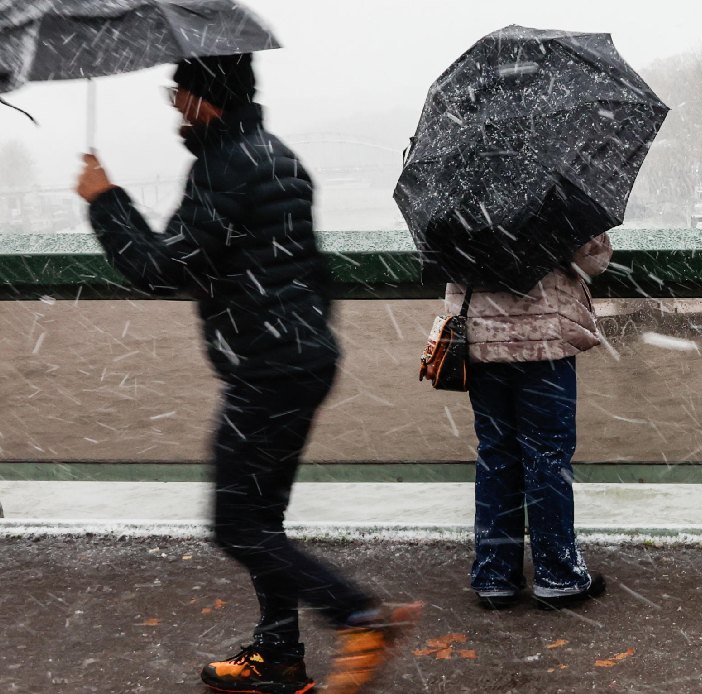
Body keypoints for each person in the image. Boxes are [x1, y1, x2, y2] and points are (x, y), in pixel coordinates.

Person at [75, 54, 420, 694]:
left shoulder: (224, 167)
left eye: (176, 91)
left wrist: (105, 203)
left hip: (267, 368)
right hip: (303, 356)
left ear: (203, 97)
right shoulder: (277, 156)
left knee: (236, 524)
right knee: (261, 520)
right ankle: (278, 655)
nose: (172, 103)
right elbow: (300, 267)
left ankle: (359, 615)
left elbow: (161, 270)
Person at [428, 235, 612, 610]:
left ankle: (495, 576)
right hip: (544, 343)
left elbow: (444, 262)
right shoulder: (551, 192)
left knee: (496, 455)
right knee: (547, 457)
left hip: (482, 343)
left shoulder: (456, 196)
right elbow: (590, 262)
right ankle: (559, 575)